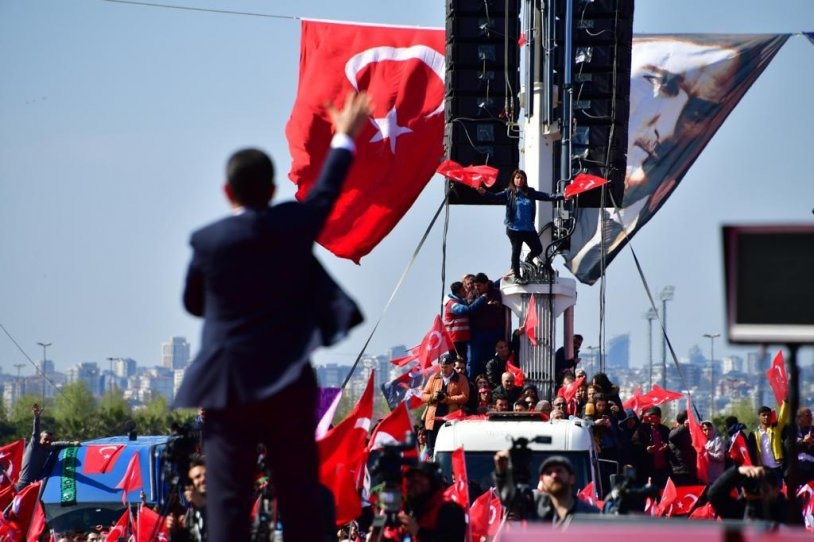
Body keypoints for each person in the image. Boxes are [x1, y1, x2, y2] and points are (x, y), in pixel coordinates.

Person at [173, 92, 372, 542]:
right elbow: (324, 194)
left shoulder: (208, 242)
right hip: (286, 379)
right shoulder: (291, 227)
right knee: (298, 490)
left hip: (228, 385)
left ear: (228, 193)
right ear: (272, 190)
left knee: (227, 497)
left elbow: (193, 303)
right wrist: (344, 137)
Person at [477, 169, 564, 284]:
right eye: (517, 177)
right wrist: (484, 193)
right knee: (516, 251)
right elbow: (494, 197)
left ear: (525, 180)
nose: (520, 180)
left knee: (538, 248)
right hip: (514, 229)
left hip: (528, 228)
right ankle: (517, 276)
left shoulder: (530, 192)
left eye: (522, 178)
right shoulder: (509, 192)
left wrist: (562, 195)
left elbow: (547, 196)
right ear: (513, 180)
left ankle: (528, 259)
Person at [493, 453, 600, 524]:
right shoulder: (533, 506)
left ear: (572, 478)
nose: (554, 475)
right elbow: (509, 500)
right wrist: (502, 472)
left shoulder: (591, 514)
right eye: (548, 473)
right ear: (542, 480)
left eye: (559, 471)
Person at [16, 404, 80, 491]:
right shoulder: (34, 446)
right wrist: (37, 417)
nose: (48, 442)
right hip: (22, 486)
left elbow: (58, 444)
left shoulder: (48, 447)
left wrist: (72, 444)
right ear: (40, 439)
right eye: (45, 439)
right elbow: (35, 433)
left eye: (50, 440)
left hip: (33, 487)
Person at [397, 462, 466, 542]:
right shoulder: (407, 508)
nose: (415, 484)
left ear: (433, 481)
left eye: (421, 478)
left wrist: (418, 532)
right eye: (412, 479)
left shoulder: (449, 509)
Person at [420, 354, 470, 458]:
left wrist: (447, 399)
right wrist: (433, 397)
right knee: (430, 449)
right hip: (433, 419)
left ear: (452, 365)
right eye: (442, 367)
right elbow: (423, 395)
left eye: (446, 367)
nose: (444, 369)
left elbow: (465, 397)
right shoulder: (434, 377)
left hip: (450, 419)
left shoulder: (461, 378)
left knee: (448, 448)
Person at [708, 465, 791, 524]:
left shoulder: (787, 511)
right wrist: (738, 471)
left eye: (764, 488)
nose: (758, 490)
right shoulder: (740, 511)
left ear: (776, 490)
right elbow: (714, 495)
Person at [466, 273, 506, 378]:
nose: (476, 288)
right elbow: (471, 310)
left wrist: (479, 306)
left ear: (486, 284)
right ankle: (471, 384)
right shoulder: (473, 293)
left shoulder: (495, 293)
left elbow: (496, 309)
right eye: (475, 285)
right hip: (476, 333)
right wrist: (482, 300)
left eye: (479, 285)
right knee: (473, 361)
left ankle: (486, 385)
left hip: (491, 333)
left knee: (488, 361)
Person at [747, 403, 789, 488]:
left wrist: (786, 402)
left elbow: (782, 416)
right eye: (764, 415)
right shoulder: (754, 433)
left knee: (778, 491)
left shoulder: (776, 429)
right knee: (765, 493)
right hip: (763, 469)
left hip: (776, 467)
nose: (766, 417)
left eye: (768, 415)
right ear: (759, 416)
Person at [443, 281, 486, 363]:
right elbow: (467, 310)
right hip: (455, 340)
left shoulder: (460, 301)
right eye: (463, 290)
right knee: (458, 362)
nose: (465, 291)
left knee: (464, 361)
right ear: (457, 293)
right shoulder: (452, 304)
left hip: (462, 338)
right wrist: (482, 298)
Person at [631, 406, 671, 487]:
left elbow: (671, 444)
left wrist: (667, 447)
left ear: (659, 418)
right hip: (647, 468)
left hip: (662, 468)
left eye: (656, 417)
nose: (653, 420)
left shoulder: (665, 430)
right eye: (651, 417)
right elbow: (635, 445)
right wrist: (646, 449)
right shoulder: (642, 429)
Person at [668, 410, 698, 486]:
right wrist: (684, 426)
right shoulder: (675, 431)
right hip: (680, 471)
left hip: (691, 470)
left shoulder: (690, 432)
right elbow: (671, 436)